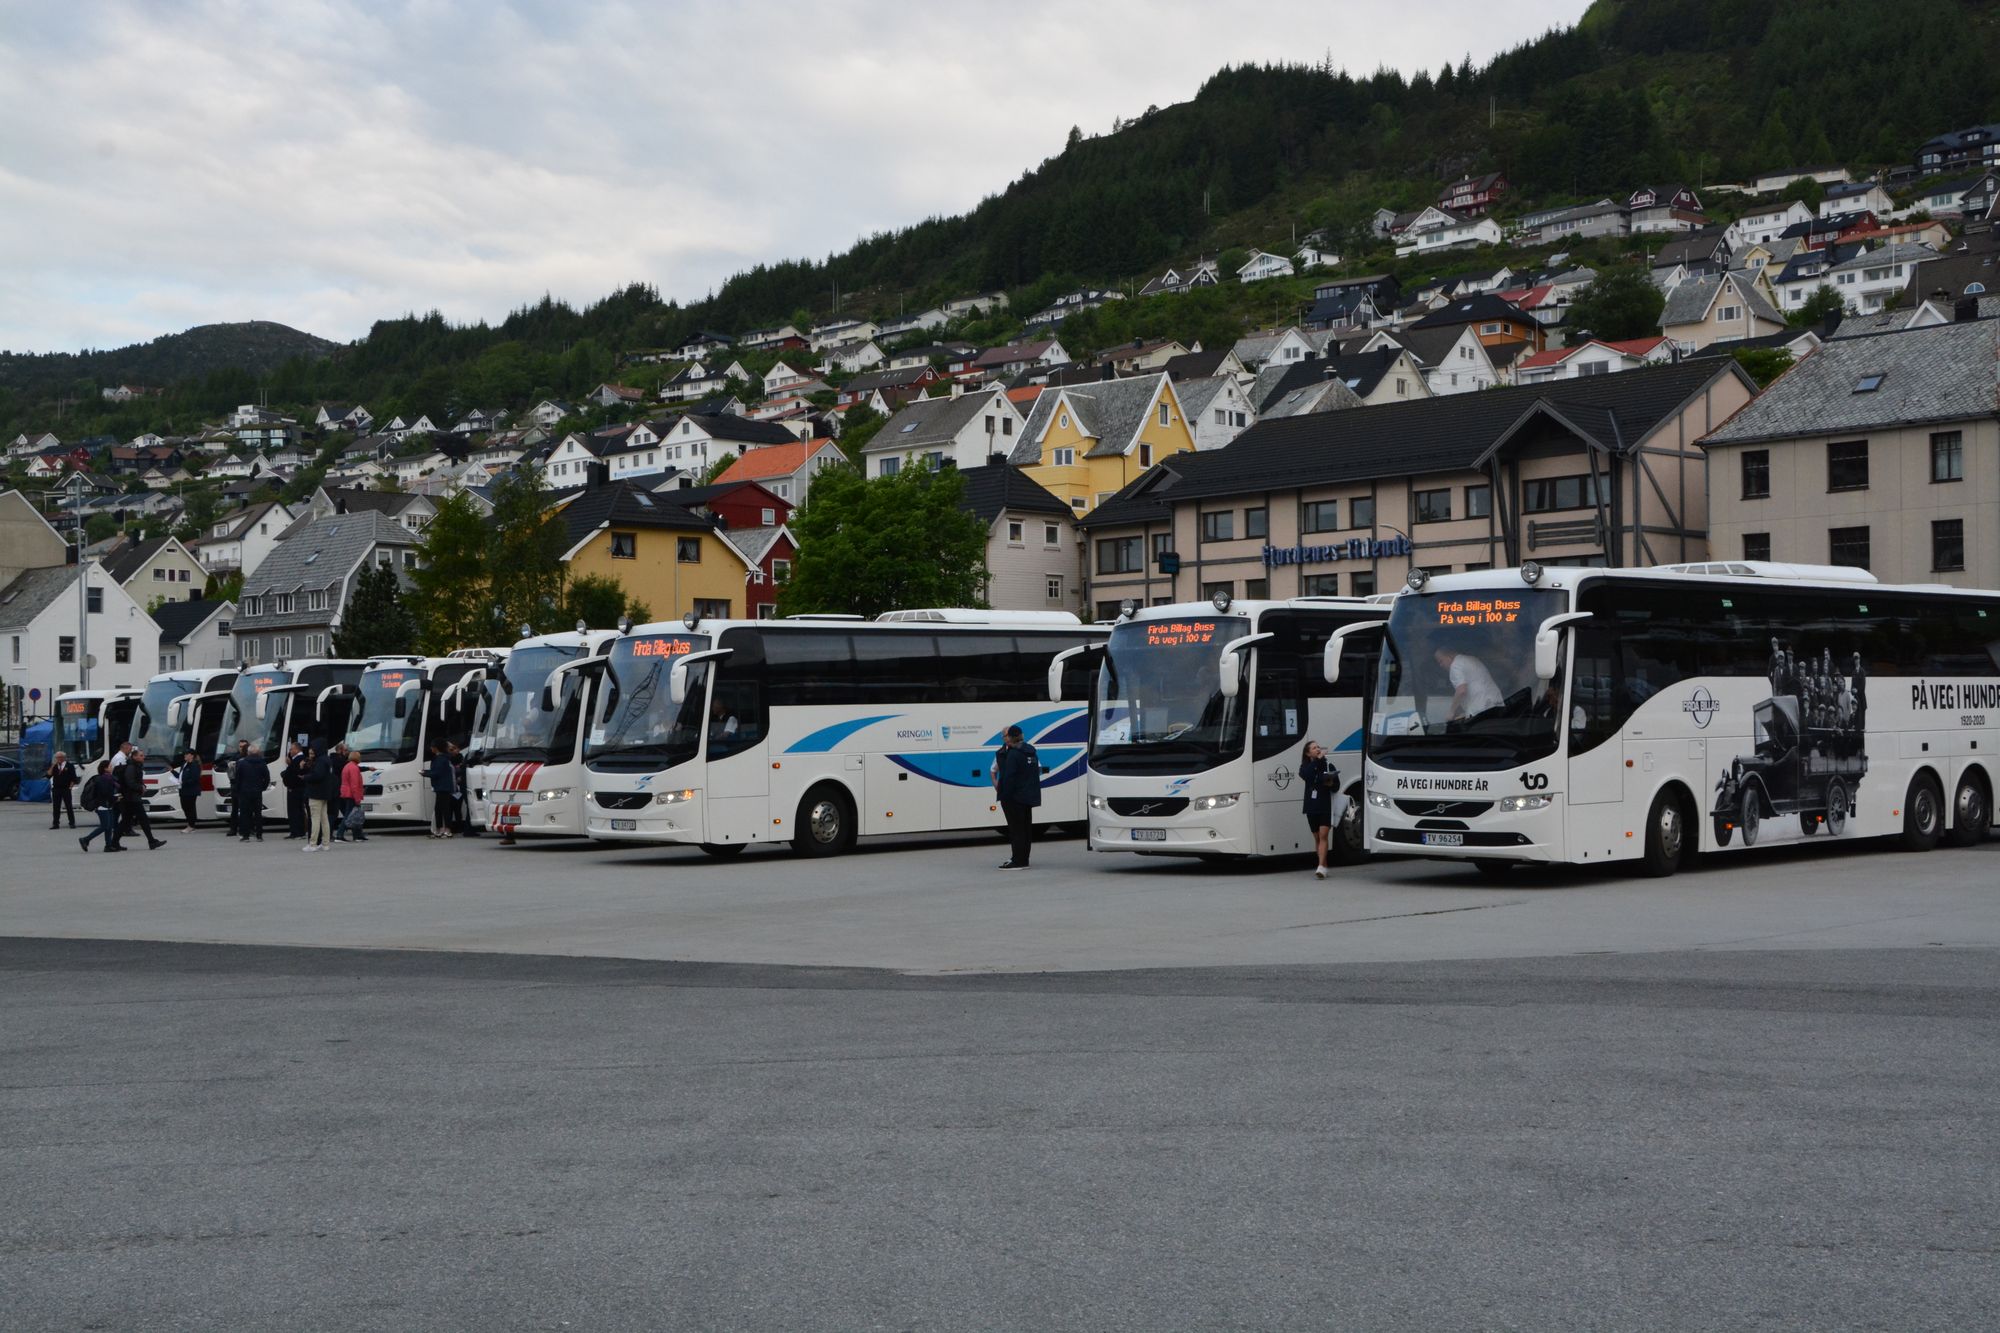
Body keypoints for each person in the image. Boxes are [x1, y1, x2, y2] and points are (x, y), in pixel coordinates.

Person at [991, 724, 1042, 870]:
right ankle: (1024, 859)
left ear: (1011, 738)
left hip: (1014, 798)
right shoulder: (1031, 752)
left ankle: (1017, 860)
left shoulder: (1013, 754)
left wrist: (1004, 795)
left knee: (1016, 830)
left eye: (1006, 736)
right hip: (1028, 796)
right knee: (1025, 830)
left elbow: (1009, 778)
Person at [1299, 739, 1340, 880]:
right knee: (1317, 837)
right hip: (1311, 806)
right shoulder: (1304, 767)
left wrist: (1331, 783)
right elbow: (1308, 776)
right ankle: (1324, 865)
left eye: (1318, 747)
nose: (1317, 749)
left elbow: (1337, 786)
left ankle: (1320, 867)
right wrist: (1317, 761)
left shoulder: (1328, 765)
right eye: (1314, 748)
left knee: (1323, 836)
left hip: (1325, 805)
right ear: (1308, 753)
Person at [117, 746, 166, 850]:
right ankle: (151, 841)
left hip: (132, 797)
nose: (144, 757)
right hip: (132, 798)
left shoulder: (136, 766)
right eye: (141, 755)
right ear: (134, 757)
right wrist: (140, 788)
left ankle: (113, 843)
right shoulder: (131, 767)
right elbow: (129, 781)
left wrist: (142, 786)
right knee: (143, 820)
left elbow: (135, 780)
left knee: (125, 821)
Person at [1434, 646, 1502, 720]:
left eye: (1441, 661)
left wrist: (1451, 712)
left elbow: (1461, 690)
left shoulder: (1455, 666)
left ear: (1448, 656)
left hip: (1481, 710)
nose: (1441, 665)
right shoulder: (1472, 659)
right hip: (1496, 704)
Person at [78, 761, 121, 852]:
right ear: (105, 768)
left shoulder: (109, 778)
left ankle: (108, 845)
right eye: (110, 766)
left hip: (108, 805)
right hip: (102, 805)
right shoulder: (104, 779)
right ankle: (86, 839)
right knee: (105, 826)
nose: (112, 767)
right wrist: (115, 798)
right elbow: (105, 793)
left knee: (109, 826)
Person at [234, 745, 271, 841]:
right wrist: (262, 787)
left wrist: (237, 789)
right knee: (258, 813)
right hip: (257, 791)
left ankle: (245, 835)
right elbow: (267, 777)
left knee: (245, 813)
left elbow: (238, 778)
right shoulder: (262, 763)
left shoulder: (242, 763)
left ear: (248, 753)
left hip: (244, 791)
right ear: (258, 753)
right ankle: (259, 835)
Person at [303, 743, 334, 852]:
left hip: (316, 793)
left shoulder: (320, 761)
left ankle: (313, 844)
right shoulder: (328, 760)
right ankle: (325, 844)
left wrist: (305, 777)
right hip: (325, 793)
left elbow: (317, 775)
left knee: (315, 819)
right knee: (324, 819)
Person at [335, 745, 367, 842]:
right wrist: (357, 798)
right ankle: (340, 835)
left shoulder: (347, 766)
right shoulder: (354, 768)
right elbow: (354, 785)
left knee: (353, 814)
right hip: (351, 794)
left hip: (347, 793)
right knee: (350, 815)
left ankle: (358, 835)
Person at [427, 742, 457, 838]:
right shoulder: (445, 758)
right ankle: (442, 829)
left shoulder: (440, 759)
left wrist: (425, 773)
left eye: (432, 747)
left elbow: (436, 773)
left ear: (436, 748)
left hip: (442, 787)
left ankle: (445, 830)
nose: (431, 748)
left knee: (443, 809)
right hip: (444, 786)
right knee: (441, 809)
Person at [282, 740, 309, 839]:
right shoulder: (298, 759)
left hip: (295, 789)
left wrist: (286, 776)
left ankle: (296, 832)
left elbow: (294, 774)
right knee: (299, 810)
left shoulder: (299, 759)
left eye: (291, 749)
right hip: (299, 788)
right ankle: (300, 831)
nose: (290, 751)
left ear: (297, 749)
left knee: (294, 811)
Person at [46, 750, 79, 829]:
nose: (59, 759)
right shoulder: (55, 766)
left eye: (60, 757)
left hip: (66, 788)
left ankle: (72, 822)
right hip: (56, 789)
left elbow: (74, 778)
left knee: (68, 806)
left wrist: (70, 787)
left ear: (64, 758)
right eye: (57, 757)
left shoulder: (69, 766)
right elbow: (48, 775)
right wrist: (53, 765)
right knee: (56, 807)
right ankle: (55, 823)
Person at [226, 740, 252, 838]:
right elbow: (229, 770)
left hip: (245, 786)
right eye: (240, 746)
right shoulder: (235, 757)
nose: (241, 748)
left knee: (247, 809)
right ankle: (233, 828)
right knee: (235, 808)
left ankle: (248, 828)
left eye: (243, 746)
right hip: (235, 786)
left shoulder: (249, 757)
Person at [176, 749, 203, 832]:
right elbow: (181, 776)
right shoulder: (184, 764)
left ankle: (191, 825)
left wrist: (184, 782)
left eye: (186, 754)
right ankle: (190, 824)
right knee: (184, 806)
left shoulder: (194, 765)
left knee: (189, 807)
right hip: (183, 789)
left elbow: (195, 778)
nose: (185, 755)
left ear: (191, 755)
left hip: (191, 790)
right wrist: (173, 772)